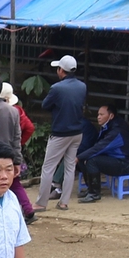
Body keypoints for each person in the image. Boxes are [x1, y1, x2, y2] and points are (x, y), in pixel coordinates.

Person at [37, 55, 86, 209]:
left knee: (48, 168)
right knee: (70, 167)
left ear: (61, 70)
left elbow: (45, 105)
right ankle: (64, 202)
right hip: (77, 132)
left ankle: (41, 203)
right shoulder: (82, 86)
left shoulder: (56, 88)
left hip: (60, 133)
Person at [75, 102, 129, 200]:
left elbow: (99, 147)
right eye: (98, 114)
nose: (98, 117)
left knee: (91, 160)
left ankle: (94, 194)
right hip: (113, 159)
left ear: (111, 116)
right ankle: (90, 189)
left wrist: (78, 157)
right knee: (84, 158)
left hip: (124, 164)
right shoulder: (107, 126)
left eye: (102, 115)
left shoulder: (116, 131)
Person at [0, 82, 39, 223]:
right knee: (15, 184)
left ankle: (27, 212)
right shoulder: (18, 111)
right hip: (14, 151)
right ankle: (28, 211)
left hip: (1, 152)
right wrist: (20, 143)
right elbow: (30, 127)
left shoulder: (2, 113)